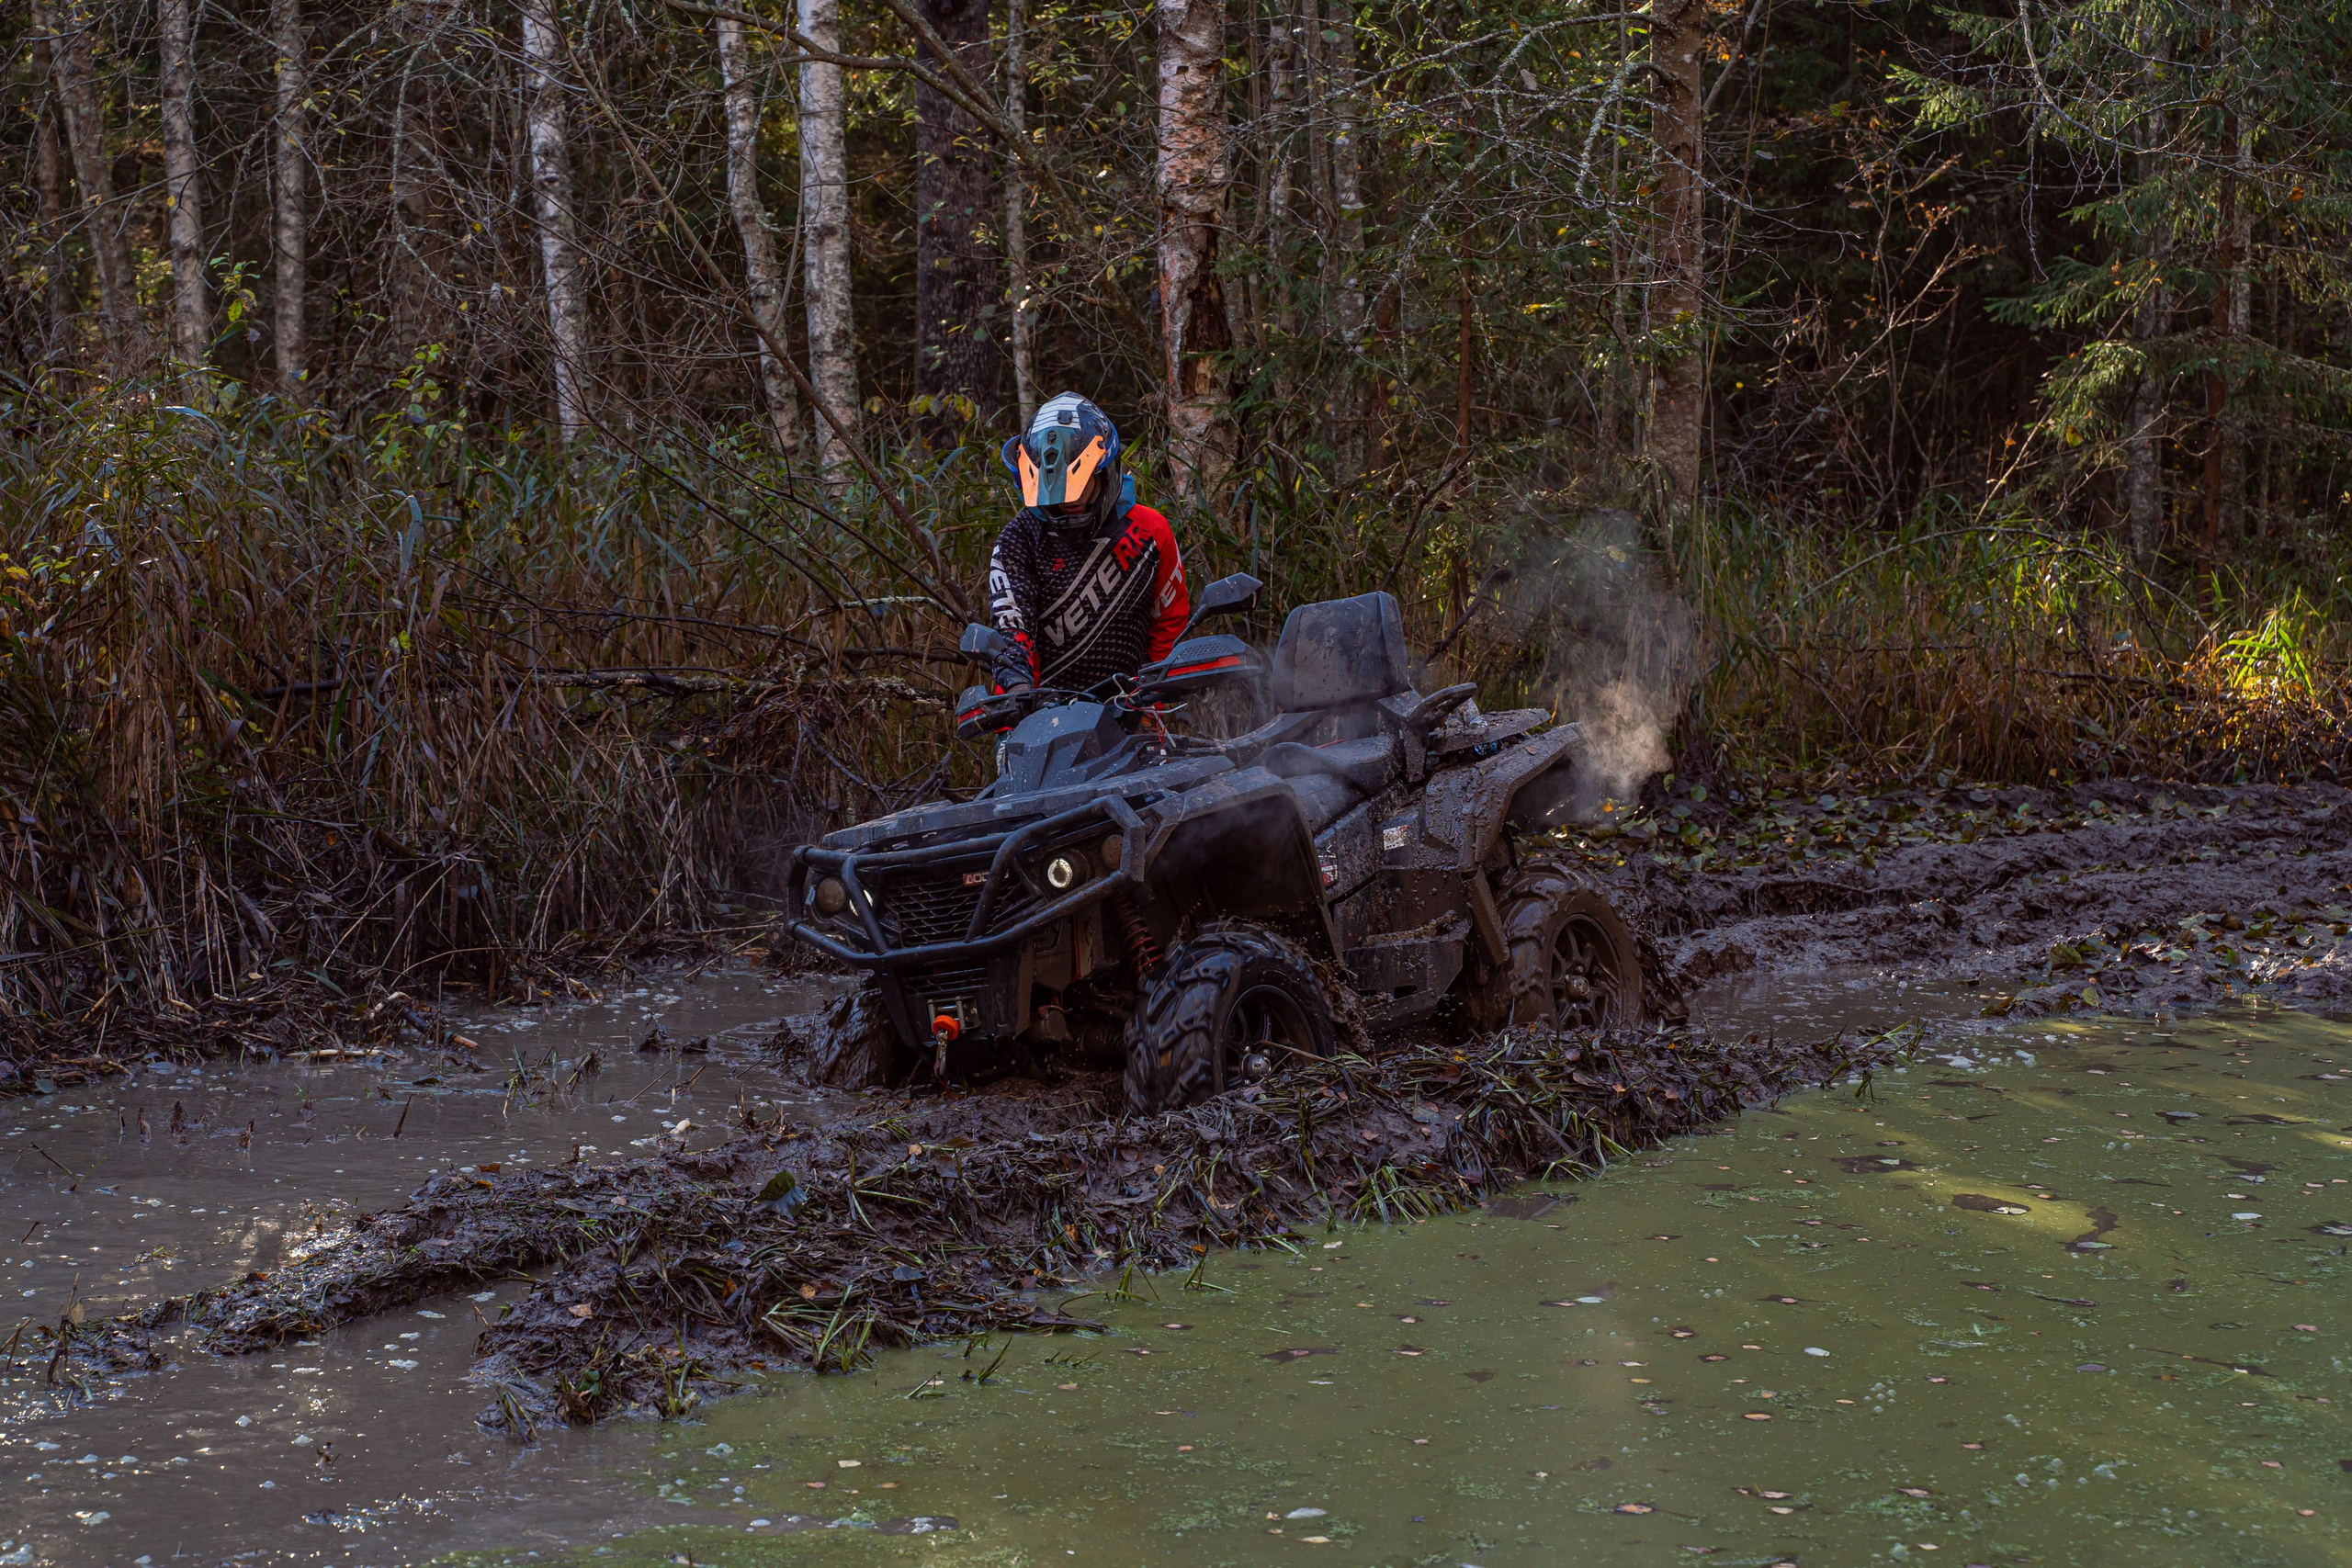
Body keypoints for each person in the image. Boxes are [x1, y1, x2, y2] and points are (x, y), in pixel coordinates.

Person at [987, 392, 1188, 696]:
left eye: (1077, 487)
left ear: (1103, 473)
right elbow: (1012, 625)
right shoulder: (1020, 538)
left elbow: (1169, 624)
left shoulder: (1149, 530)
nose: (1069, 500)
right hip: (1039, 714)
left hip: (1131, 710)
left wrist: (1154, 702)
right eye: (1056, 490)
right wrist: (1017, 688)